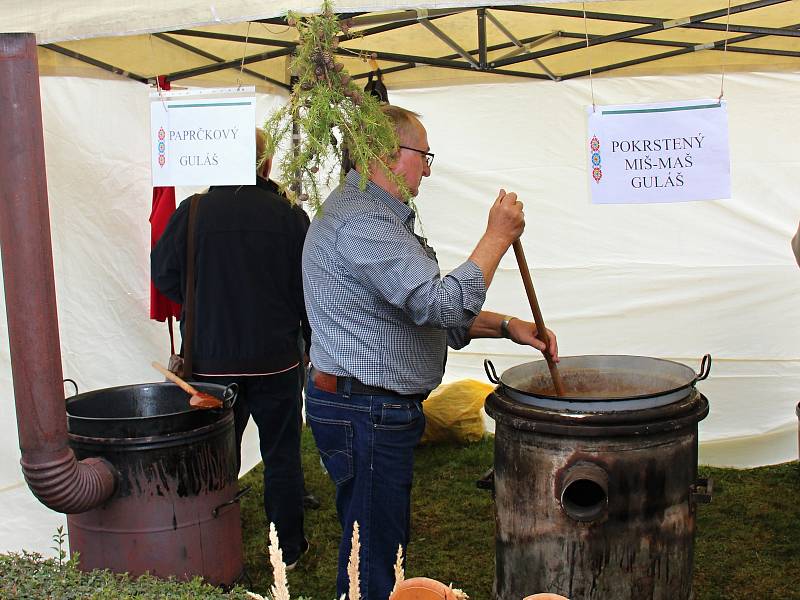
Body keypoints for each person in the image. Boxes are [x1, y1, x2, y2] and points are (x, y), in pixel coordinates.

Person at [302, 105, 559, 600]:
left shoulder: (375, 217)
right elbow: (440, 304)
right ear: (387, 154)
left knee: (374, 538)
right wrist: (496, 238)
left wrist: (506, 326)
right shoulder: (362, 222)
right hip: (365, 409)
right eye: (424, 154)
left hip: (368, 406)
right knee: (374, 551)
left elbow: (418, 310)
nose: (428, 167)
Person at [151, 129, 311, 568]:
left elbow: (164, 276)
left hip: (210, 362)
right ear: (266, 164)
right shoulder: (289, 214)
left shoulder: (194, 211)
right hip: (276, 360)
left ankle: (214, 543)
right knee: (281, 455)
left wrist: (205, 302)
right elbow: (309, 289)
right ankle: (290, 548)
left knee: (216, 459)